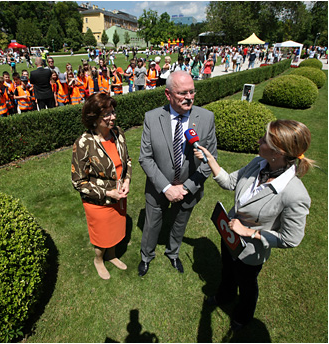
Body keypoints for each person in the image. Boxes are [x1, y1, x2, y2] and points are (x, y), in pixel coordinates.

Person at [194, 120, 313, 332]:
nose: (259, 141)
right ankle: (225, 295)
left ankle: (243, 315)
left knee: (247, 285)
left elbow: (291, 239)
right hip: (229, 237)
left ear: (279, 152)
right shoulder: (257, 163)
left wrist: (250, 232)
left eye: (264, 140)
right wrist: (210, 159)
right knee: (227, 271)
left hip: (251, 252)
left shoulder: (295, 194)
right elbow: (230, 182)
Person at [138, 71, 217, 277]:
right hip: (158, 187)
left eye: (192, 92)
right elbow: (145, 158)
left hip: (189, 187)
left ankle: (173, 253)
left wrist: (187, 187)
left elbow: (210, 160)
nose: (189, 97)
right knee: (152, 224)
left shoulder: (206, 118)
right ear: (168, 94)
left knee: (179, 223)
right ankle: (146, 256)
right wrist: (166, 187)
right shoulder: (152, 117)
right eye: (182, 93)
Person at [71, 93, 132, 280]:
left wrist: (127, 180)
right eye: (107, 114)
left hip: (119, 195)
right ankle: (98, 259)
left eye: (113, 112)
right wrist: (107, 192)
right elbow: (78, 181)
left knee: (115, 230)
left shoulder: (118, 133)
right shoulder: (83, 143)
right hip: (98, 201)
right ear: (94, 118)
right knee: (102, 236)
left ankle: (112, 255)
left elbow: (127, 161)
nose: (112, 117)